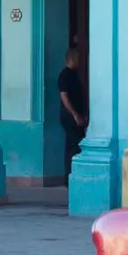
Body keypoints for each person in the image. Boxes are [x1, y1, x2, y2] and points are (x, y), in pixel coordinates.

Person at [57, 47, 88, 176]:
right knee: (73, 144)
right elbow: (64, 96)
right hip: (69, 115)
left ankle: (72, 174)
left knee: (75, 143)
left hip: (75, 115)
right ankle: (70, 175)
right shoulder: (65, 75)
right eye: (77, 58)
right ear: (72, 58)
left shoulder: (74, 74)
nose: (80, 61)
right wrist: (75, 114)